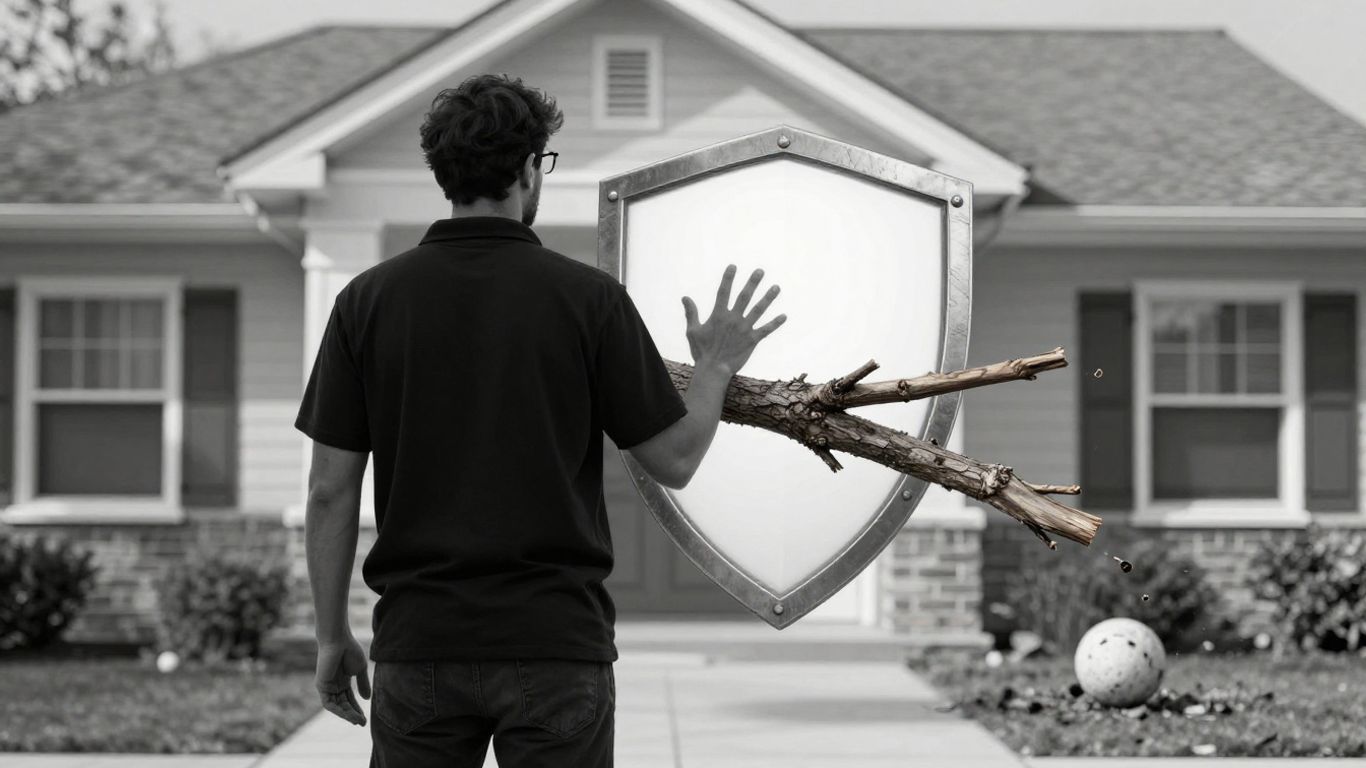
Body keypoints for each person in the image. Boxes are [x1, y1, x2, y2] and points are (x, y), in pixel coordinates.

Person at [295, 73, 786, 768]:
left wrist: (327, 636)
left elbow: (328, 491)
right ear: (529, 169)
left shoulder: (365, 303)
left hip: (420, 642)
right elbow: (674, 458)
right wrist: (713, 369)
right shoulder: (589, 301)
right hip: (556, 646)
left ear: (445, 174)